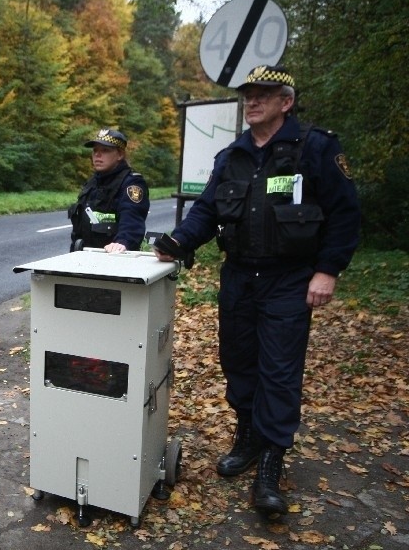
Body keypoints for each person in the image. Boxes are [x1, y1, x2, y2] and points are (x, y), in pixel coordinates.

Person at [154, 65, 361, 515]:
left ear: (286, 102)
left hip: (289, 280)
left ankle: (271, 460)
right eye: (247, 94)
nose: (252, 101)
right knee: (238, 362)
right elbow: (206, 212)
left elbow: (345, 214)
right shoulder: (232, 156)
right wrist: (178, 243)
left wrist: (328, 270)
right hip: (239, 278)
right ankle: (247, 436)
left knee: (280, 371)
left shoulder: (315, 149)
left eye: (263, 94)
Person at [69, 128, 149, 253]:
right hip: (83, 258)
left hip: (113, 259)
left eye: (105, 150)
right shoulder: (92, 183)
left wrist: (122, 243)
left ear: (120, 155)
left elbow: (132, 221)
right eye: (95, 150)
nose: (97, 155)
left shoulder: (131, 184)